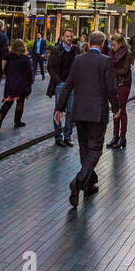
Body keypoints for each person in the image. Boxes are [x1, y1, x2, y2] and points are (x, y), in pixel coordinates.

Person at [55, 31, 119, 209]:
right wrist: (116, 108)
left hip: (79, 112)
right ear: (103, 43)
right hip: (97, 112)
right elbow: (111, 88)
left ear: (89, 43)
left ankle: (88, 185)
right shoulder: (106, 61)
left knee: (84, 149)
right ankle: (78, 181)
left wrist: (59, 108)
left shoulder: (78, 60)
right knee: (95, 149)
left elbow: (69, 84)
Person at [0, 38, 34, 128]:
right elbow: (29, 73)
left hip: (11, 83)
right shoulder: (25, 58)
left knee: (8, 102)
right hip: (22, 84)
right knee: (20, 103)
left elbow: (5, 69)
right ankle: (17, 121)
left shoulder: (9, 57)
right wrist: (29, 86)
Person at [47, 28, 76, 147]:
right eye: (67, 36)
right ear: (62, 37)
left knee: (70, 110)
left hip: (72, 84)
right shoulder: (56, 50)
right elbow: (50, 67)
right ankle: (58, 136)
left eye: (71, 36)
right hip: (60, 84)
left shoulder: (75, 50)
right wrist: (58, 81)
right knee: (58, 109)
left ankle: (67, 136)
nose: (69, 38)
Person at [108, 32, 133, 149]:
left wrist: (112, 70)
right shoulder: (111, 54)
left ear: (120, 44)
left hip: (124, 83)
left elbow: (124, 71)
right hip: (114, 84)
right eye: (111, 45)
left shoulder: (128, 54)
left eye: (114, 45)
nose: (112, 47)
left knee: (121, 109)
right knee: (115, 110)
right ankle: (115, 136)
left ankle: (122, 137)